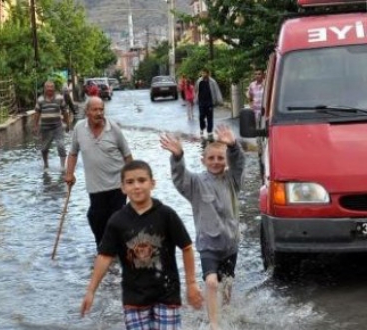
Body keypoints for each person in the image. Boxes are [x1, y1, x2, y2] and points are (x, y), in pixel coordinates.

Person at [80, 160, 203, 329]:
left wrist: (191, 284)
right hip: (134, 298)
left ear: (152, 183)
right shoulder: (117, 221)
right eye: (130, 182)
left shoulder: (166, 215)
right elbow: (104, 256)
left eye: (142, 180)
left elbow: (187, 248)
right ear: (122, 188)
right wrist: (91, 291)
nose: (136, 186)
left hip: (167, 294)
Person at [160, 124, 245, 330]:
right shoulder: (196, 183)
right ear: (203, 160)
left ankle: (225, 313)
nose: (216, 162)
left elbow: (239, 163)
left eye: (220, 158)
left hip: (231, 243)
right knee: (212, 282)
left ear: (225, 161)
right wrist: (178, 157)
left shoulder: (232, 180)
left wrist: (233, 146)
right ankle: (214, 324)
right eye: (211, 158)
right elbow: (180, 178)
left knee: (226, 285)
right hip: (209, 245)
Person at [64, 96, 133, 248]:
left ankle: (115, 252)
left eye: (101, 109)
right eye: (95, 109)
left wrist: (133, 180)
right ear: (87, 111)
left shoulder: (113, 129)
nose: (99, 113)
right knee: (95, 218)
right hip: (95, 187)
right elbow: (73, 153)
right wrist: (69, 173)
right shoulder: (79, 129)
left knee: (115, 220)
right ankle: (102, 249)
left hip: (117, 186)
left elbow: (127, 156)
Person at [33, 80, 70, 171]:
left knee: (61, 145)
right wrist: (35, 126)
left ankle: (62, 167)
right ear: (44, 89)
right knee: (44, 148)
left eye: (51, 87)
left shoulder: (59, 98)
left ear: (54, 88)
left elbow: (65, 111)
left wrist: (67, 124)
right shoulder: (40, 100)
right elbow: (37, 113)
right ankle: (46, 165)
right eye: (48, 87)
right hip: (45, 128)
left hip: (57, 126)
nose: (50, 89)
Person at [194, 68, 223, 140]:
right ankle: (202, 127)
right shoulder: (199, 81)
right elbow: (196, 90)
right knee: (201, 116)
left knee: (209, 117)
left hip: (209, 102)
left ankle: (209, 131)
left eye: (204, 73)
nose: (203, 74)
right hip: (201, 102)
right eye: (202, 73)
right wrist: (195, 99)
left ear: (208, 73)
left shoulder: (212, 81)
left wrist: (219, 101)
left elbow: (216, 91)